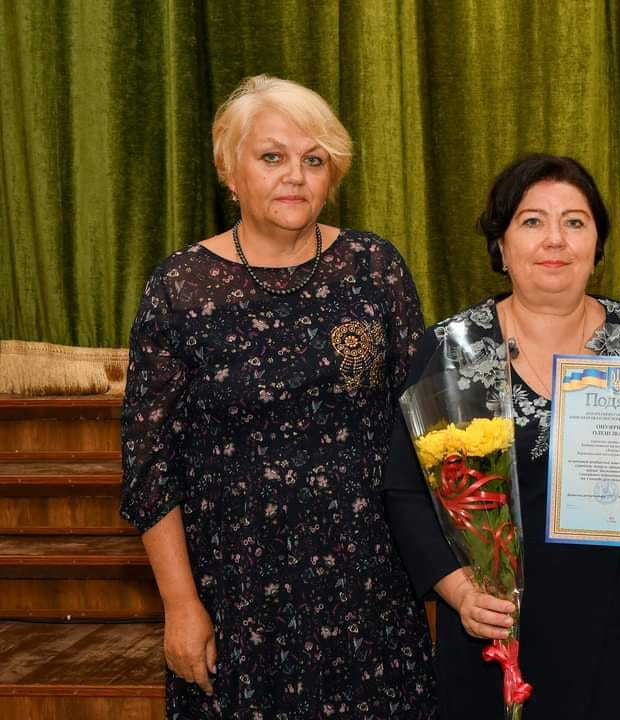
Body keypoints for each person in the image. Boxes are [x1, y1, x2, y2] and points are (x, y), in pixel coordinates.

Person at [120, 75, 437, 718]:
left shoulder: (375, 268)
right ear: (228, 170)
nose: (295, 175)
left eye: (313, 160)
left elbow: (426, 428)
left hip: (369, 590)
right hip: (235, 597)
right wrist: (180, 605)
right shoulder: (181, 289)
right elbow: (150, 468)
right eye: (272, 157)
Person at [384, 154, 620, 719]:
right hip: (496, 629)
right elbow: (405, 493)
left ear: (597, 243)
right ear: (502, 245)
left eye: (575, 222)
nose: (555, 239)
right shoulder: (452, 346)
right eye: (532, 221)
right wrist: (461, 593)